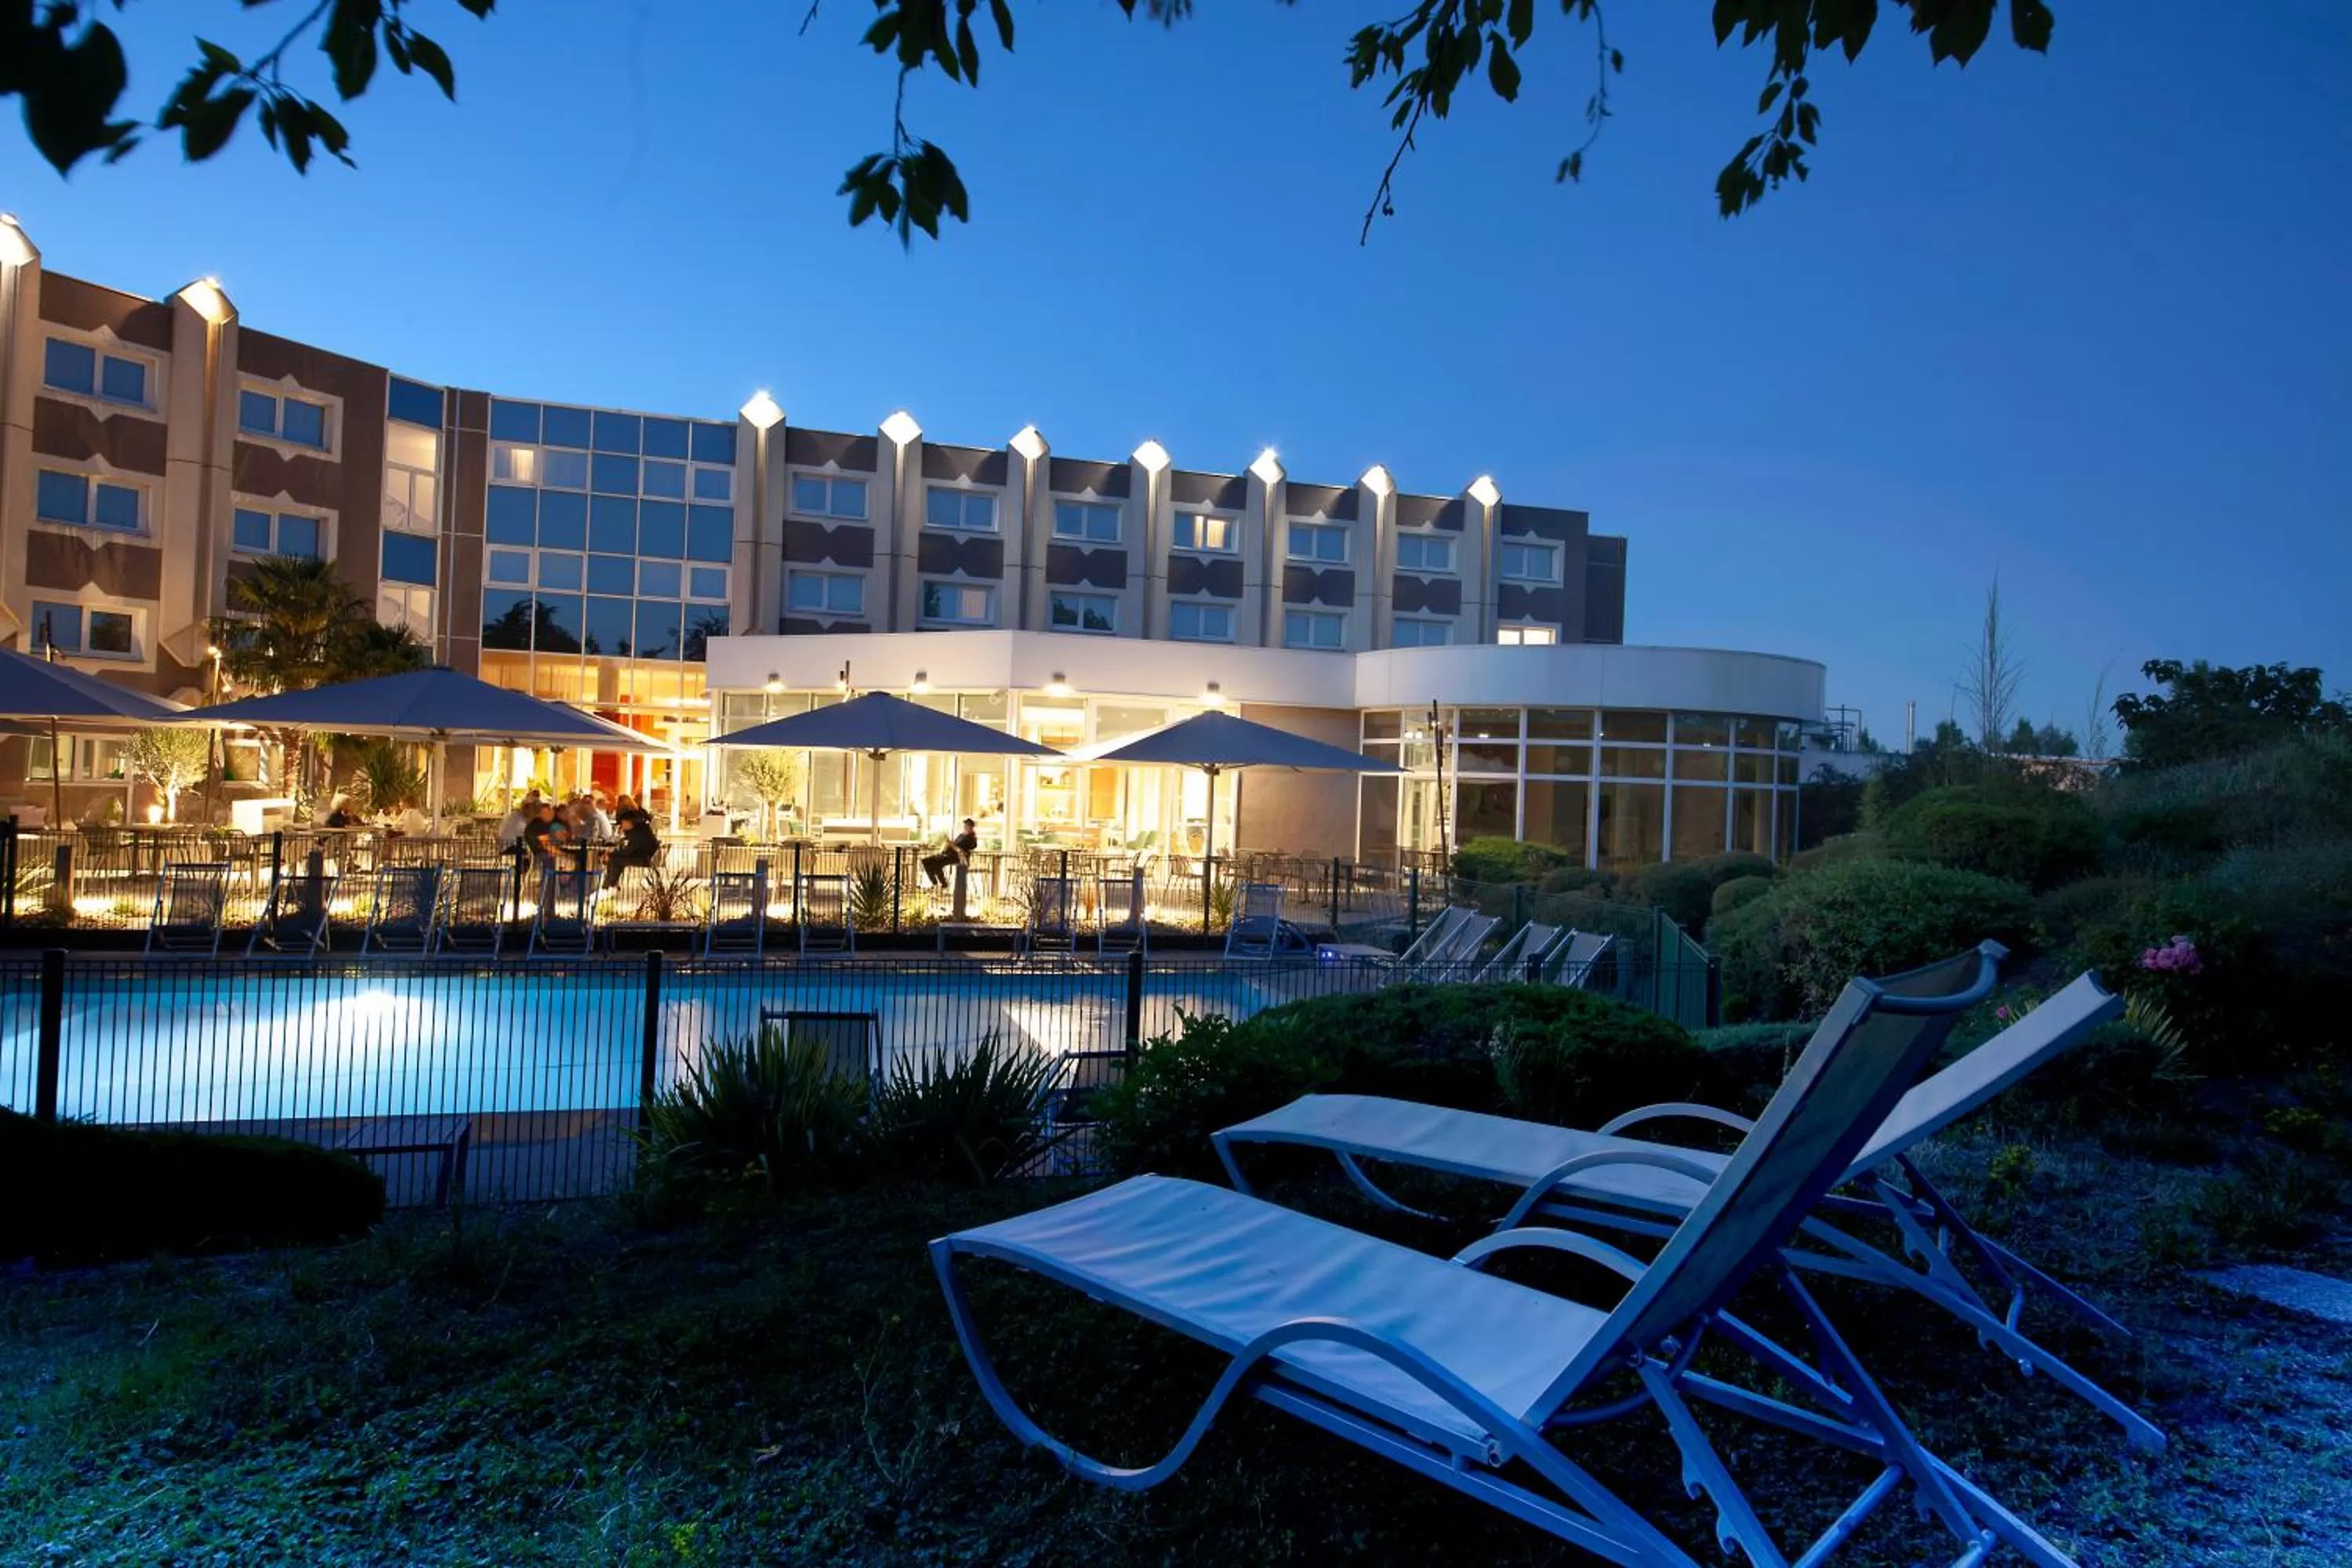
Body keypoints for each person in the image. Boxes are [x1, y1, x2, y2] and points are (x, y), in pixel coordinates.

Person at [603, 803, 660, 889]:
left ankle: (608, 885)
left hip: (645, 859)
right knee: (617, 860)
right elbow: (630, 850)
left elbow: (629, 851)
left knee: (615, 860)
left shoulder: (637, 833)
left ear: (629, 822)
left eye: (623, 823)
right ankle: (612, 883)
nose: (622, 825)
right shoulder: (642, 829)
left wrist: (611, 854)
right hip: (646, 856)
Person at [922, 818, 980, 890]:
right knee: (926, 861)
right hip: (947, 854)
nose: (964, 827)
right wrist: (947, 845)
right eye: (964, 825)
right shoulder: (962, 835)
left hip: (956, 857)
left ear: (971, 827)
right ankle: (936, 883)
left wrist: (950, 843)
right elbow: (955, 844)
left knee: (936, 863)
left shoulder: (971, 838)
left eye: (966, 825)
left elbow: (961, 850)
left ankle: (941, 884)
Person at [497, 790, 540, 854]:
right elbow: (524, 834)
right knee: (536, 851)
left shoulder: (516, 815)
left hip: (508, 846)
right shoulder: (518, 818)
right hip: (509, 847)